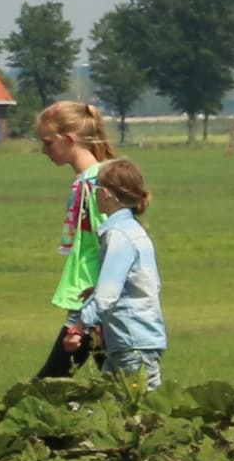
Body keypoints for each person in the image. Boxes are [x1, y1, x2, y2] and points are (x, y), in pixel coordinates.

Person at [32, 99, 119, 378]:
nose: (44, 151)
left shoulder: (93, 184)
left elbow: (111, 243)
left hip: (91, 299)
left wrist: (97, 302)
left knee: (51, 381)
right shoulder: (89, 180)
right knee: (115, 380)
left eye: (47, 143)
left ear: (69, 139)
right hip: (92, 299)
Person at [71, 158, 166, 386]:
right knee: (112, 405)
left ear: (106, 193)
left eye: (95, 190)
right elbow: (135, 282)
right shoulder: (133, 229)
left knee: (139, 409)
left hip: (131, 340)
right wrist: (95, 291)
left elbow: (107, 296)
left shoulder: (118, 235)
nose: (93, 195)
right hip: (136, 339)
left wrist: (80, 326)